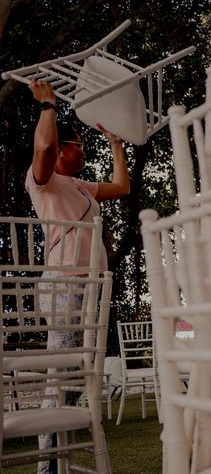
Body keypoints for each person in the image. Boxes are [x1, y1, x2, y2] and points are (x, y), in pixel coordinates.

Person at [26, 79, 130, 474]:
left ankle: (61, 459)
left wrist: (116, 144)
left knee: (79, 375)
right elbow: (45, 148)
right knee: (62, 371)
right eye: (80, 145)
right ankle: (46, 466)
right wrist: (48, 105)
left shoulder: (81, 186)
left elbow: (121, 187)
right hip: (65, 282)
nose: (84, 150)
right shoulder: (45, 180)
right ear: (65, 149)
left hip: (90, 287)